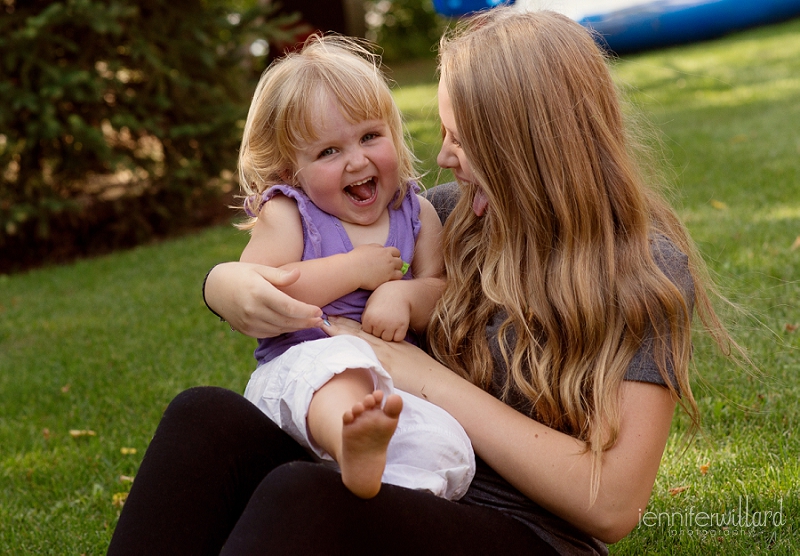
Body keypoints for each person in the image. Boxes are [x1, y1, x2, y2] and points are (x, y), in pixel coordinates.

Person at [108, 8, 743, 555]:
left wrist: (425, 377)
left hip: (524, 533)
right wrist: (223, 285)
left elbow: (613, 505)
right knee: (206, 417)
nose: (441, 157)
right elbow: (275, 261)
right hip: (409, 477)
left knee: (305, 497)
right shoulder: (450, 215)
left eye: (461, 139)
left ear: (524, 148)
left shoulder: (641, 267)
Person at [232, 35, 474, 501]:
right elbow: (262, 293)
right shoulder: (290, 214)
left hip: (392, 386)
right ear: (290, 170)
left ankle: (396, 501)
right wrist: (355, 269)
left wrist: (404, 295)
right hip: (301, 375)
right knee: (340, 368)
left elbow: (442, 289)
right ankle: (349, 445)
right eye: (328, 152)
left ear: (392, 132)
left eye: (369, 136)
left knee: (447, 443)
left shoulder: (415, 212)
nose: (357, 160)